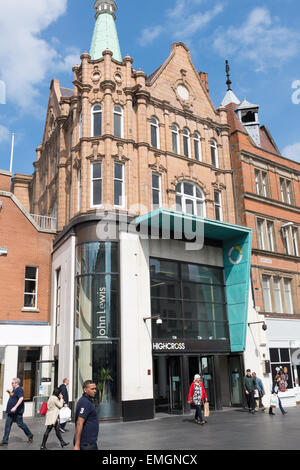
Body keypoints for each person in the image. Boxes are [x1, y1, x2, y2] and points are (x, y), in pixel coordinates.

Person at [0, 378, 34, 446]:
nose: (11, 384)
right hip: (11, 412)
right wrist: (9, 392)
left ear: (16, 383)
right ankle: (5, 441)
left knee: (20, 424)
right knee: (7, 426)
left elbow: (21, 398)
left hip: (17, 412)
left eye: (12, 383)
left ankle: (30, 435)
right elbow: (13, 396)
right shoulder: (14, 389)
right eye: (12, 383)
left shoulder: (20, 389)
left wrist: (15, 407)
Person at [74, 380, 99, 450]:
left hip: (90, 442)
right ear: (85, 390)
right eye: (92, 389)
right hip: (86, 444)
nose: (95, 391)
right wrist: (77, 445)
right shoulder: (85, 402)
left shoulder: (87, 401)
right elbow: (79, 423)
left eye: (95, 388)